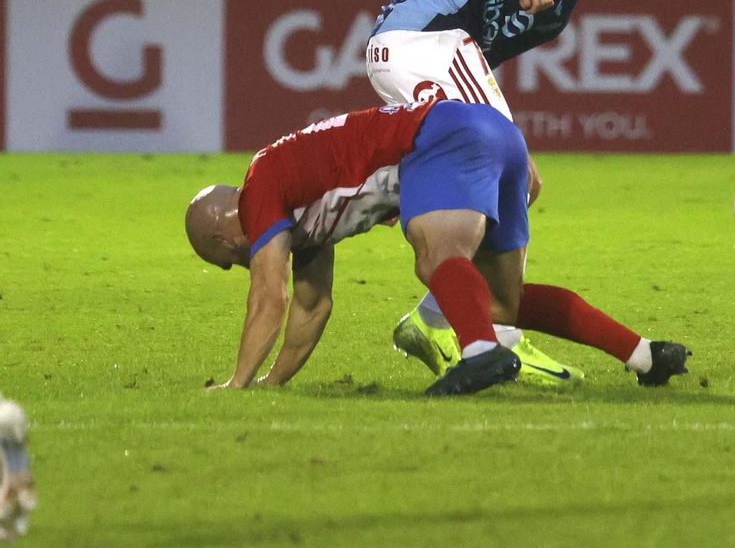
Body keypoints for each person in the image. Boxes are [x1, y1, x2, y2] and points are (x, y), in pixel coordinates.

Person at [366, 0, 678, 380]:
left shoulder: (558, 10)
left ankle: (433, 315)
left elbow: (480, 65)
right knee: (517, 170)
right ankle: (498, 337)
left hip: (427, 59)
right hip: (416, 41)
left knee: (517, 185)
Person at [184, 99, 691, 396]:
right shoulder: (303, 214)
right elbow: (311, 306)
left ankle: (480, 353)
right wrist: (268, 386)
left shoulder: (259, 191)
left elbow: (269, 296)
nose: (236, 266)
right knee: (499, 303)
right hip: (498, 135)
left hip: (440, 140)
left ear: (220, 237)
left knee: (437, 259)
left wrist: (235, 384)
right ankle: (647, 355)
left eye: (224, 260)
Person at [0, 396, 33, 541]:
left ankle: (9, 511)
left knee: (14, 474)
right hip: (11, 414)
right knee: (17, 472)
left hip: (7, 419)